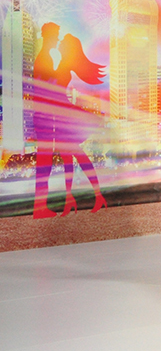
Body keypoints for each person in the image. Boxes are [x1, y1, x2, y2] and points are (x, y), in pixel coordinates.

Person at [30, 22, 106, 219]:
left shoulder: (52, 60)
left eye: (59, 37)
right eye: (56, 36)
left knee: (59, 156)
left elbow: (50, 87)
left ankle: (57, 202)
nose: (58, 39)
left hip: (55, 116)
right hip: (49, 117)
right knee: (55, 158)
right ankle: (51, 203)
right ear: (48, 36)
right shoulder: (45, 58)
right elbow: (48, 87)